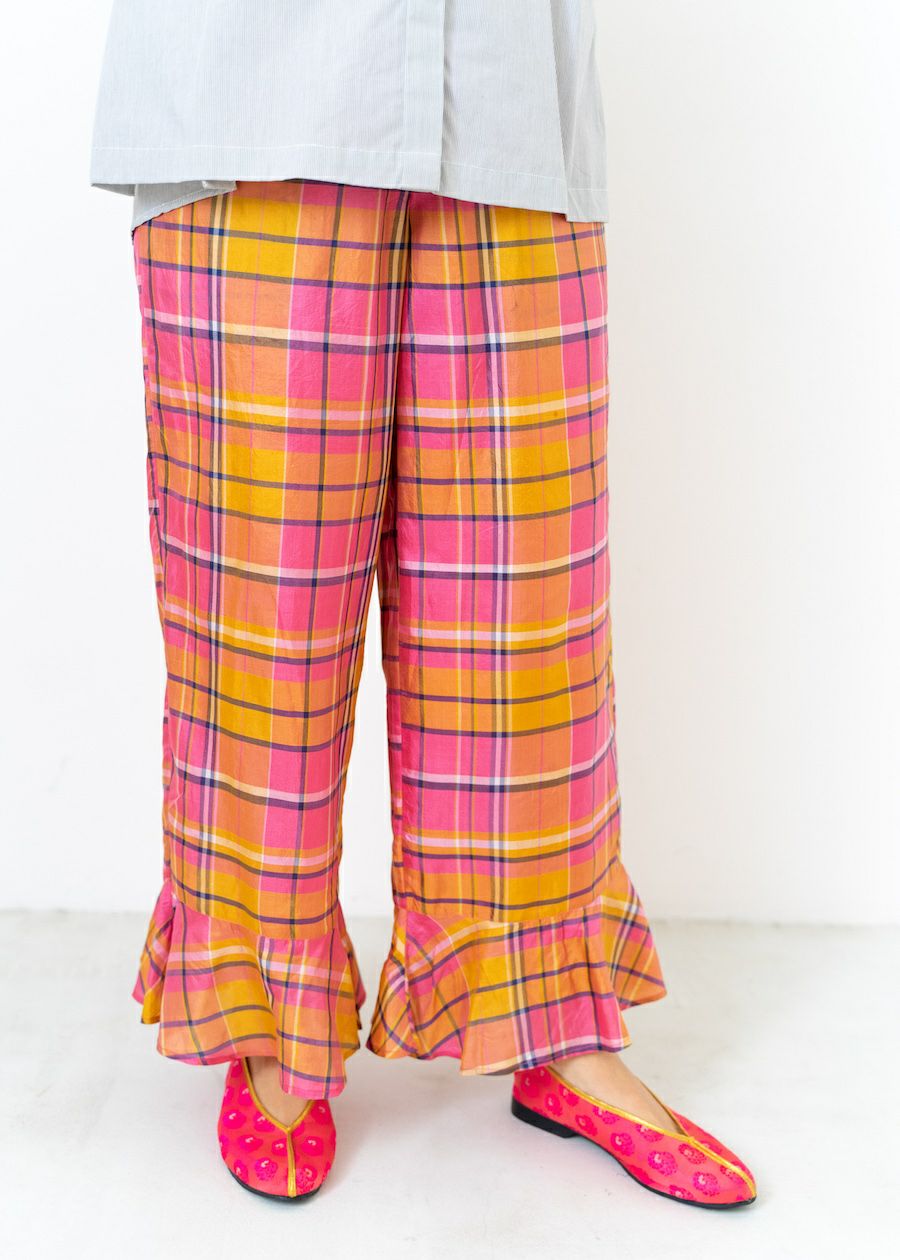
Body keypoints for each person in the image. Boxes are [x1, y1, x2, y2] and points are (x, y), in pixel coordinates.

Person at [89, 0, 756, 1208]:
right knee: (263, 605)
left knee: (526, 607)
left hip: (509, 107)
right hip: (254, 101)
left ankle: (557, 1024)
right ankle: (268, 1020)